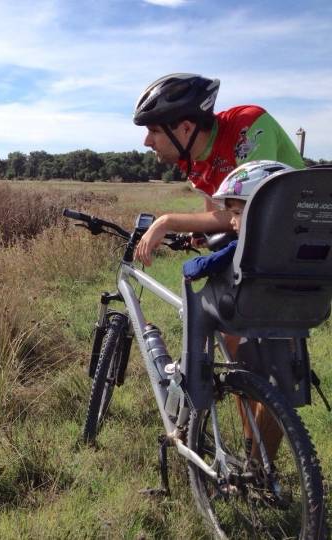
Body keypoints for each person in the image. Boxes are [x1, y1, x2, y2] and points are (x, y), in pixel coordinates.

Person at [183, 160, 295, 463]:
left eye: (236, 213)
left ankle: (191, 393)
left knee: (195, 315)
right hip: (293, 315)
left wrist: (192, 265)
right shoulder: (292, 241)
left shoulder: (248, 244)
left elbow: (203, 265)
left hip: (242, 312)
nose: (231, 223)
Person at [131, 73, 305, 266]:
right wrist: (203, 232)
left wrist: (167, 221)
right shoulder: (192, 159)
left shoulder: (248, 127)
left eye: (154, 131)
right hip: (261, 248)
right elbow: (215, 210)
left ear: (186, 129)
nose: (146, 142)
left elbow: (254, 210)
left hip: (297, 238)